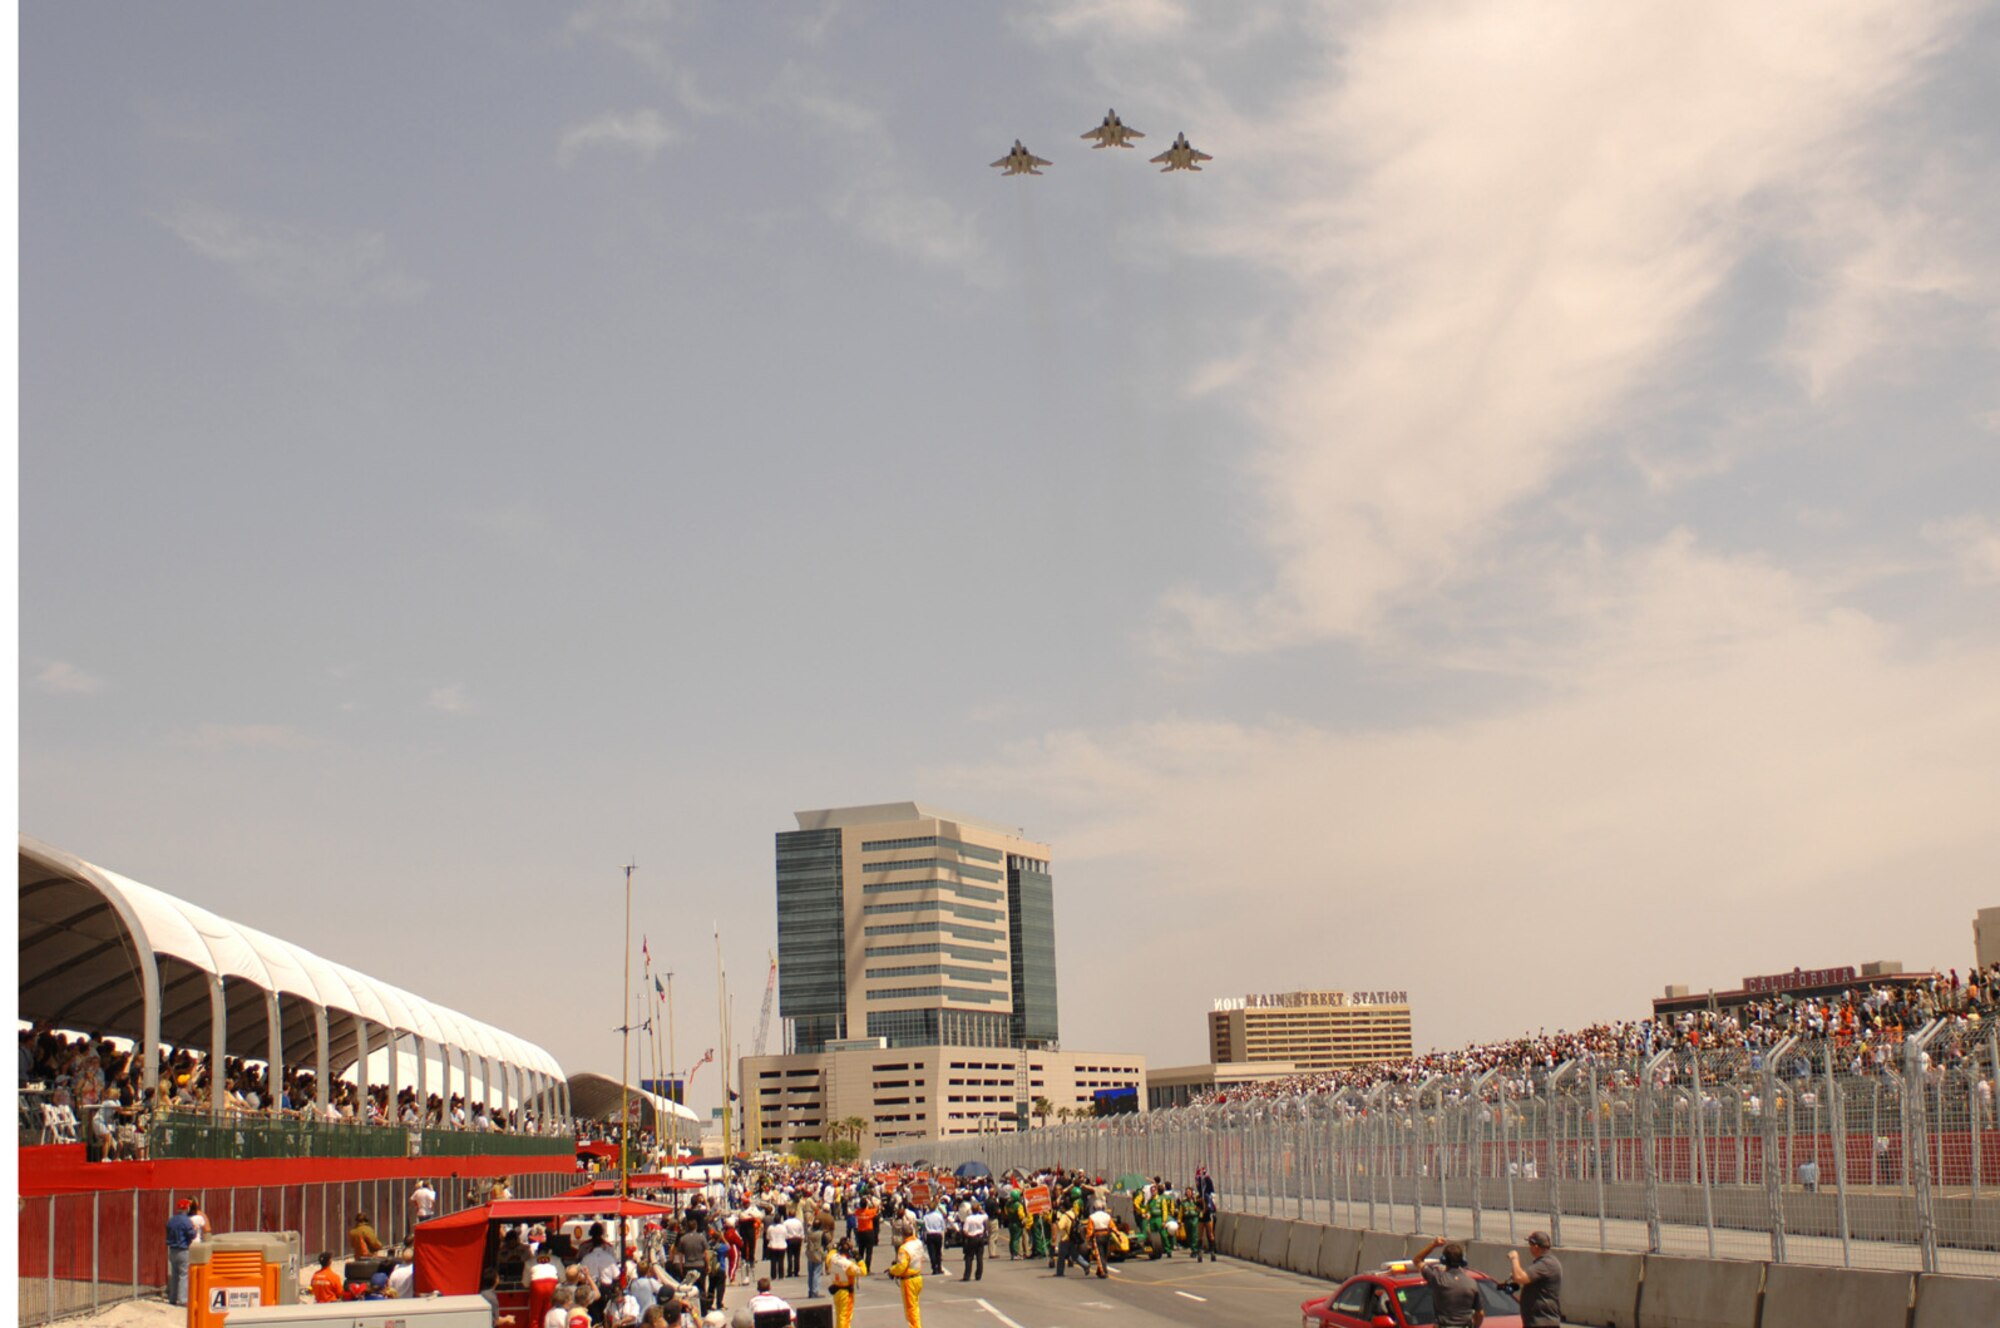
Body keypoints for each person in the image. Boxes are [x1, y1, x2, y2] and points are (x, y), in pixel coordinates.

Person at [1412, 1238, 1484, 1328]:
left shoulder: (1438, 1279)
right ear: (1462, 1260)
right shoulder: (1471, 1283)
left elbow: (1417, 1260)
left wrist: (1434, 1244)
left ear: (1443, 1260)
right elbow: (1480, 1313)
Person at [1507, 1232, 1563, 1328]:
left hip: (1543, 1322)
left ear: (1536, 1247)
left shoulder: (1546, 1264)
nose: (1529, 1248)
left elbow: (1520, 1277)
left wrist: (1514, 1258)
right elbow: (1524, 1278)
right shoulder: (1545, 1263)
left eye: (1530, 1245)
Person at [886, 1220, 925, 1328]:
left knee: (910, 1309)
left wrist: (892, 1270)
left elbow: (901, 1266)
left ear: (903, 1235)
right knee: (915, 1307)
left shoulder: (904, 1248)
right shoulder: (918, 1242)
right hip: (918, 1276)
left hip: (909, 1280)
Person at [165, 1200, 197, 1306]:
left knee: (174, 1275)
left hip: (172, 1250)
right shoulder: (186, 1221)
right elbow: (191, 1234)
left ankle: (172, 1299)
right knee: (184, 1275)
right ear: (186, 1208)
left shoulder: (171, 1220)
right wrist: (195, 1230)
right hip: (183, 1250)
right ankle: (183, 1300)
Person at [826, 1238, 862, 1328]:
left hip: (836, 1290)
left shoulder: (833, 1258)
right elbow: (863, 1271)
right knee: (845, 1318)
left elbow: (828, 1257)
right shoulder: (848, 1264)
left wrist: (834, 1248)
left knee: (839, 1316)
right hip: (846, 1293)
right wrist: (859, 1259)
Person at [959, 1204, 987, 1282]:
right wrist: (981, 1210)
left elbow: (965, 1230)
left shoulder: (968, 1219)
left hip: (972, 1237)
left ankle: (967, 1275)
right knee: (979, 1257)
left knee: (969, 1257)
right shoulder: (981, 1217)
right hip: (980, 1237)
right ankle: (978, 1275)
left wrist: (968, 1236)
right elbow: (986, 1215)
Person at [921, 1205, 945, 1276]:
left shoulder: (926, 1217)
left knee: (932, 1253)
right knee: (938, 1252)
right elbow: (943, 1226)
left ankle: (934, 1268)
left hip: (930, 1234)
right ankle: (939, 1267)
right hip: (938, 1234)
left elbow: (924, 1227)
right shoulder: (939, 1216)